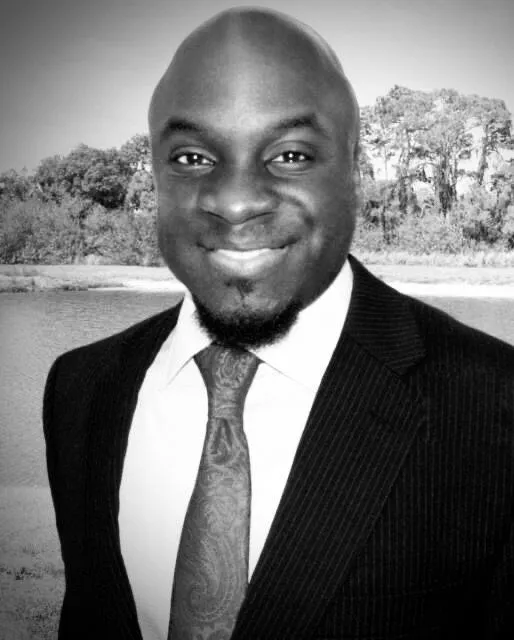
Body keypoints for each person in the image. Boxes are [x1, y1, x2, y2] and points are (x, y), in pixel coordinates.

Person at [43, 7, 514, 640]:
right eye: (192, 156)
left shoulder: (496, 406)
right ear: (154, 174)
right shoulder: (80, 389)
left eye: (290, 155)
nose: (236, 202)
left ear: (355, 170)